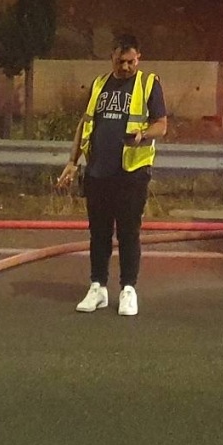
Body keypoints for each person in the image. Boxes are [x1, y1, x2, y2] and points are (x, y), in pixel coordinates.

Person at [57, 33, 167, 316]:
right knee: (99, 233)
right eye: (121, 61)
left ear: (138, 58)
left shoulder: (148, 83)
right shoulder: (99, 84)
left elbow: (162, 125)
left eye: (131, 61)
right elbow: (85, 122)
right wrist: (73, 161)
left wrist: (143, 135)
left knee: (129, 232)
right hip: (97, 172)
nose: (126, 67)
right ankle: (98, 287)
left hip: (131, 173)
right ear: (112, 58)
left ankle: (128, 289)